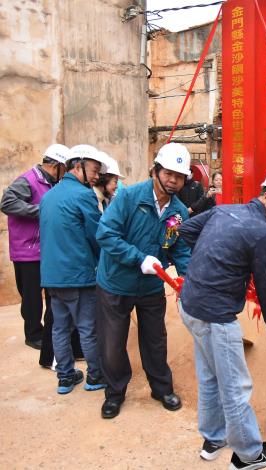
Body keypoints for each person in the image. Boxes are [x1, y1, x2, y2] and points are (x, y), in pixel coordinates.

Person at [178, 167, 266, 469]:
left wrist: (211, 260)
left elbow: (186, 231)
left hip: (190, 306)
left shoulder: (226, 211)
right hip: (216, 316)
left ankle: (213, 439)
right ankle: (248, 454)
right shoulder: (262, 233)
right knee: (235, 385)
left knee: (210, 375)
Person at [95, 142, 191, 419]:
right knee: (113, 344)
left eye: (179, 176)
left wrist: (187, 277)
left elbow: (179, 248)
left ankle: (161, 388)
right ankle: (114, 394)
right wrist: (139, 258)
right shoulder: (128, 197)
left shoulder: (179, 212)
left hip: (150, 287)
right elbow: (106, 235)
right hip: (115, 283)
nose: (173, 180)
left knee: (155, 341)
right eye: (168, 173)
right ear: (156, 170)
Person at [39, 144, 109, 394]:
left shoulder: (49, 196)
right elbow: (97, 234)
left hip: (52, 277)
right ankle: (95, 375)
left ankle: (65, 377)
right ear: (77, 166)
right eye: (93, 170)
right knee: (87, 328)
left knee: (60, 327)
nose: (96, 176)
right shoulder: (83, 195)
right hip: (78, 276)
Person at [0, 144, 72, 352]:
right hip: (27, 251)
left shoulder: (52, 184)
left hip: (46, 250)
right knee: (31, 296)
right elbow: (7, 202)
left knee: (51, 294)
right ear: (56, 165)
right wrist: (40, 211)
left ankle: (50, 332)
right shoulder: (29, 180)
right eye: (64, 169)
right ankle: (33, 334)